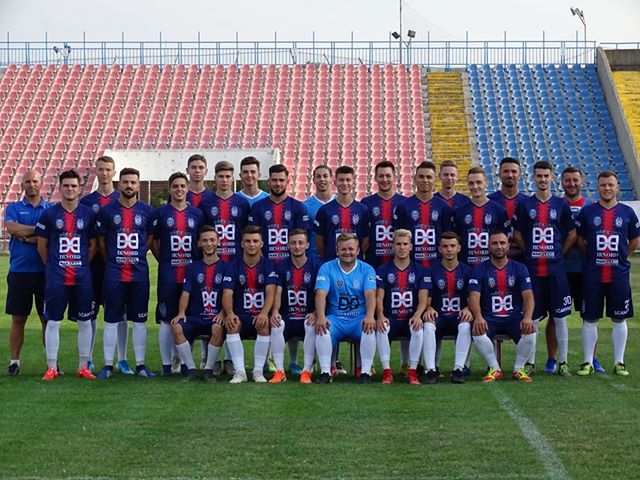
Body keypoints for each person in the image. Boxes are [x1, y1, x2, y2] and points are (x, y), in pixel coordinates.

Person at [512, 160, 576, 377]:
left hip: (556, 270)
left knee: (560, 317)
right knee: (533, 317)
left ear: (552, 177)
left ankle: (563, 362)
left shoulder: (560, 205)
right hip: (533, 271)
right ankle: (530, 362)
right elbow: (517, 234)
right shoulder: (525, 205)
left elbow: (572, 234)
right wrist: (529, 251)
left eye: (546, 176)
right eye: (539, 176)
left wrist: (559, 253)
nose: (542, 179)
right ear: (533, 178)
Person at [575, 171, 640, 376]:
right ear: (598, 187)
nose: (607, 188)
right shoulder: (587, 212)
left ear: (617, 187)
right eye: (603, 185)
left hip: (618, 275)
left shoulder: (627, 213)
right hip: (593, 274)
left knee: (619, 318)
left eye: (610, 185)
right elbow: (579, 240)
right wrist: (591, 256)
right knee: (590, 318)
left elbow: (634, 241)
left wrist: (621, 256)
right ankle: (587, 362)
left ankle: (619, 362)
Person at [35, 169, 96, 381]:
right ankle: (51, 367)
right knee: (53, 321)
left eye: (73, 186)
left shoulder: (88, 214)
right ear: (60, 188)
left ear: (79, 189)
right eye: (66, 185)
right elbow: (41, 246)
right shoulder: (49, 214)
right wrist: (53, 266)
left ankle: (83, 367)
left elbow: (93, 245)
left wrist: (81, 264)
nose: (70, 189)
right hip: (56, 277)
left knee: (85, 321)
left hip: (82, 277)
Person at [95, 168, 155, 379]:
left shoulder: (147, 211)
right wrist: (111, 259)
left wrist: (139, 253)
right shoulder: (107, 211)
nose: (129, 185)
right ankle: (108, 366)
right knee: (111, 319)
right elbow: (101, 241)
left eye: (133, 182)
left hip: (139, 274)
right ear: (119, 184)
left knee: (139, 320)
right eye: (126, 182)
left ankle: (140, 365)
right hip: (114, 274)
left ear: (138, 185)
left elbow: (150, 237)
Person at [545, 167, 603, 373]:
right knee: (555, 315)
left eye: (575, 180)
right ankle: (552, 358)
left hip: (586, 271)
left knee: (590, 316)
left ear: (582, 182)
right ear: (561, 182)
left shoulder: (591, 207)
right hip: (560, 270)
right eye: (567, 180)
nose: (571, 184)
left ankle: (592, 358)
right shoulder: (556, 205)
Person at [80, 155, 132, 375]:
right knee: (91, 312)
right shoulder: (87, 202)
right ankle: (89, 359)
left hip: (119, 267)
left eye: (108, 169)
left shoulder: (123, 199)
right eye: (101, 169)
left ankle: (123, 359)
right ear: (96, 171)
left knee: (121, 312)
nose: (104, 173)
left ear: (114, 172)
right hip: (94, 265)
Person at [151, 172, 204, 376]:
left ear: (187, 188)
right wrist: (163, 260)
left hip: (190, 275)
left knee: (187, 317)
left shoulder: (196, 214)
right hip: (169, 275)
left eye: (182, 186)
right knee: (166, 319)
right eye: (175, 186)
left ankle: (183, 361)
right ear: (170, 188)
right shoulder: (161, 213)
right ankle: (166, 365)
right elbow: (153, 242)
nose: (179, 189)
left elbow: (201, 242)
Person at [469, 231, 536, 383]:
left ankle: (519, 369)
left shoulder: (520, 268)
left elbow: (528, 296)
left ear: (508, 245)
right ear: (488, 246)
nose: (499, 246)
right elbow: (474, 297)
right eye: (494, 243)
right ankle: (494, 368)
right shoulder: (480, 269)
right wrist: (478, 317)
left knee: (530, 329)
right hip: (490, 317)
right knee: (477, 329)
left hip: (513, 317)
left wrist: (527, 317)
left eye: (502, 243)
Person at [314, 233, 378, 384]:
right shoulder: (327, 268)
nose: (347, 252)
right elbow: (320, 294)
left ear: (358, 250)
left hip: (358, 319)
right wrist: (321, 316)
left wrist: (370, 316)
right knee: (323, 330)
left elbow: (370, 294)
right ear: (337, 251)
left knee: (369, 329)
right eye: (343, 249)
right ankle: (325, 372)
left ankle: (365, 372)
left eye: (351, 249)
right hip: (335, 318)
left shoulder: (367, 269)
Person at [4, 170, 50, 375]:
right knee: (18, 319)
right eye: (27, 181)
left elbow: (50, 236)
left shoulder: (50, 209)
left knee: (47, 320)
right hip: (19, 271)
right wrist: (39, 230)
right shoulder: (13, 208)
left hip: (45, 272)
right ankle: (14, 362)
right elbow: (12, 229)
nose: (31, 184)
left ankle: (52, 363)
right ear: (22, 185)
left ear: (41, 183)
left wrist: (25, 235)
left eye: (35, 181)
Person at [221, 226, 279, 383]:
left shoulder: (269, 265)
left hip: (259, 314)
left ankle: (258, 371)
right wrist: (230, 313)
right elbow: (227, 293)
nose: (252, 244)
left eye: (255, 241)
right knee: (232, 324)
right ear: (242, 244)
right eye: (248, 241)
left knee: (264, 323)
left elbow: (271, 292)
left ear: (261, 243)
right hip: (240, 315)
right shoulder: (233, 266)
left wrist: (264, 313)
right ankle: (240, 372)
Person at [170, 226, 228, 381]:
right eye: (205, 240)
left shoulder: (227, 267)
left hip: (215, 318)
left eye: (212, 240)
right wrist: (181, 312)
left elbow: (229, 295)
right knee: (176, 326)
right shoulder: (192, 267)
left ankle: (209, 369)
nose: (209, 243)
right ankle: (191, 369)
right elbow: (186, 292)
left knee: (217, 328)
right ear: (199, 244)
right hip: (195, 317)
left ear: (218, 242)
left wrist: (223, 313)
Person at [374, 229, 428, 385]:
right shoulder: (383, 270)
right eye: (398, 244)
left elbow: (423, 299)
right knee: (382, 327)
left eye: (405, 244)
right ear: (392, 247)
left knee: (418, 327)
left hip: (410, 317)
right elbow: (379, 297)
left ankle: (412, 372)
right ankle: (387, 372)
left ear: (411, 247)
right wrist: (381, 315)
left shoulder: (420, 270)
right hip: (391, 318)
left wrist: (417, 315)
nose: (402, 247)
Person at [271, 229, 321, 383]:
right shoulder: (281, 265)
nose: (297, 246)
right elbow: (278, 291)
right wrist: (275, 311)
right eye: (293, 243)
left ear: (307, 245)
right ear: (288, 245)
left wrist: (316, 312)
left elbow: (320, 292)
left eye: (300, 243)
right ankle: (279, 371)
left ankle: (306, 371)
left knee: (310, 325)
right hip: (288, 316)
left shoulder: (316, 265)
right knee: (276, 324)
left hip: (307, 315)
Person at [422, 232, 473, 384]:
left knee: (465, 326)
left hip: (458, 316)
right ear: (439, 249)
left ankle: (458, 370)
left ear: (459, 248)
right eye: (445, 246)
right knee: (428, 325)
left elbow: (473, 297)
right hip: (440, 316)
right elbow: (426, 298)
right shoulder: (431, 271)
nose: (449, 249)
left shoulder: (468, 271)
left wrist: (468, 308)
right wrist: (428, 308)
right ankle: (431, 370)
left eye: (452, 246)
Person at [393, 161, 454, 268]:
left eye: (429, 177)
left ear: (435, 180)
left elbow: (447, 237)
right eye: (421, 177)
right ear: (415, 179)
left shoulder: (444, 207)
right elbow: (399, 238)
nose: (425, 180)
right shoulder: (403, 206)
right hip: (411, 266)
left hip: (438, 266)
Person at [248, 164, 309, 263]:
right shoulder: (257, 207)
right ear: (269, 182)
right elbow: (253, 236)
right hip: (265, 263)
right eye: (274, 180)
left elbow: (302, 238)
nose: (278, 183)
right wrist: (263, 261)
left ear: (287, 182)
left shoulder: (298, 207)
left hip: (290, 264)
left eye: (281, 180)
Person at [453, 167, 509, 266]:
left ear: (486, 183)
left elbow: (504, 239)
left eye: (479, 182)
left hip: (491, 267)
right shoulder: (459, 211)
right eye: (471, 183)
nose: (475, 186)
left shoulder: (499, 210)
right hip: (466, 266)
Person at [314, 165, 371, 262]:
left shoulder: (363, 210)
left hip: (356, 264)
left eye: (348, 180)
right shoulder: (324, 210)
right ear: (335, 182)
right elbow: (319, 242)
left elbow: (365, 242)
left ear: (354, 183)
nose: (345, 183)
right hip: (332, 264)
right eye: (341, 180)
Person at [199, 161, 250, 262]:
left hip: (237, 259)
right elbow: (201, 232)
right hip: (212, 260)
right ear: (215, 178)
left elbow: (246, 231)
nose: (224, 180)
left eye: (228, 176)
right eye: (221, 176)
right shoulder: (205, 203)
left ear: (233, 178)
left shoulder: (242, 203)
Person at [362, 161, 407, 268]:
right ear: (375, 178)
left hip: (399, 265)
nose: (385, 179)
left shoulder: (405, 203)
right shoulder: (366, 203)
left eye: (388, 176)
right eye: (381, 176)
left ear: (394, 177)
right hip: (373, 264)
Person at [488, 157, 528, 260]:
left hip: (524, 259)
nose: (510, 175)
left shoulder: (528, 202)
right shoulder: (489, 202)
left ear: (520, 175)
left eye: (514, 171)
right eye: (506, 171)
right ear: (499, 174)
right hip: (495, 258)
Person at [303, 165, 334, 263]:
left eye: (325, 176)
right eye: (318, 176)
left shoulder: (339, 204)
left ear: (331, 179)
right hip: (313, 260)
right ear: (313, 180)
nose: (322, 179)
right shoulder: (305, 206)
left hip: (336, 259)